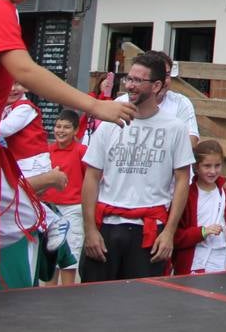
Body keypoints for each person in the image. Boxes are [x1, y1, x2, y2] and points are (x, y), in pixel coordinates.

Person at [0, 0, 134, 292]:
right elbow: (25, 70)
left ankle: (47, 223)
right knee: (9, 224)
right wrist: (96, 107)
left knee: (20, 221)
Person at [79, 51, 192, 282]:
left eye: (138, 81)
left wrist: (169, 232)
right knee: (93, 301)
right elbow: (91, 176)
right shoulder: (110, 122)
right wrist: (90, 230)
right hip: (107, 227)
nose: (130, 86)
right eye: (129, 79)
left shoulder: (176, 127)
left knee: (142, 306)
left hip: (149, 231)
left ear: (157, 85)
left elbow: (182, 180)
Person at [171, 139, 226, 274]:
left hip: (221, 263)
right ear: (196, 167)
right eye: (207, 166)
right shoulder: (186, 196)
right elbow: (174, 237)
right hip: (191, 266)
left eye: (217, 165)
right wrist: (202, 232)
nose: (213, 171)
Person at [113, 52, 198, 147]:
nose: (163, 81)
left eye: (167, 75)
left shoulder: (181, 103)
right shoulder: (119, 103)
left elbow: (192, 140)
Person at [45, 109, 88, 284]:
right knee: (49, 258)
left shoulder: (81, 151)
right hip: (50, 209)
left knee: (69, 258)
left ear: (76, 130)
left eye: (66, 127)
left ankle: (67, 300)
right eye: (58, 126)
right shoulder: (47, 151)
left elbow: (90, 181)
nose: (61, 131)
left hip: (72, 209)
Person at [78, 73, 117, 145]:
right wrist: (103, 94)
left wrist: (107, 96)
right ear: (100, 83)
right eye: (105, 82)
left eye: (109, 84)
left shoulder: (113, 101)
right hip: (86, 132)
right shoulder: (91, 96)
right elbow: (92, 109)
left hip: (102, 135)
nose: (107, 84)